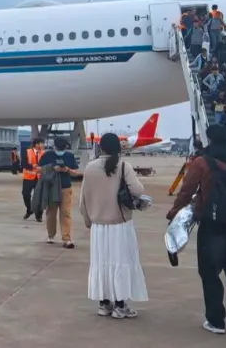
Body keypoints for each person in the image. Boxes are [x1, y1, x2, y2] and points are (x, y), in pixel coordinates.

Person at [168, 124, 226, 336]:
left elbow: (186, 191)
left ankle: (216, 321)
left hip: (211, 226)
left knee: (209, 274)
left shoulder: (202, 163)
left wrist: (175, 213)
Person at [80, 133, 148, 319]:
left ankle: (104, 304)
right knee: (121, 262)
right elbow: (138, 190)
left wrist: (88, 220)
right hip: (120, 224)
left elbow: (83, 198)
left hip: (98, 226)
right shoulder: (124, 166)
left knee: (101, 263)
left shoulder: (90, 167)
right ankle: (120, 305)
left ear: (101, 147)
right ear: (118, 147)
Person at [39, 137, 79, 248]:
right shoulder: (47, 155)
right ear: (54, 146)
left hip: (66, 188)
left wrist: (67, 170)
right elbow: (38, 169)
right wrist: (52, 168)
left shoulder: (69, 156)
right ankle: (51, 235)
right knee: (51, 213)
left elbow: (75, 172)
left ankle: (66, 238)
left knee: (66, 213)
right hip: (52, 188)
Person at [20, 138, 44, 222]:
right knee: (25, 194)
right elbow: (23, 164)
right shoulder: (27, 151)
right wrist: (32, 166)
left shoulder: (43, 153)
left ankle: (39, 215)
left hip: (40, 178)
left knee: (40, 197)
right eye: (42, 143)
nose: (43, 145)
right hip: (28, 177)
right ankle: (30, 209)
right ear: (36, 144)